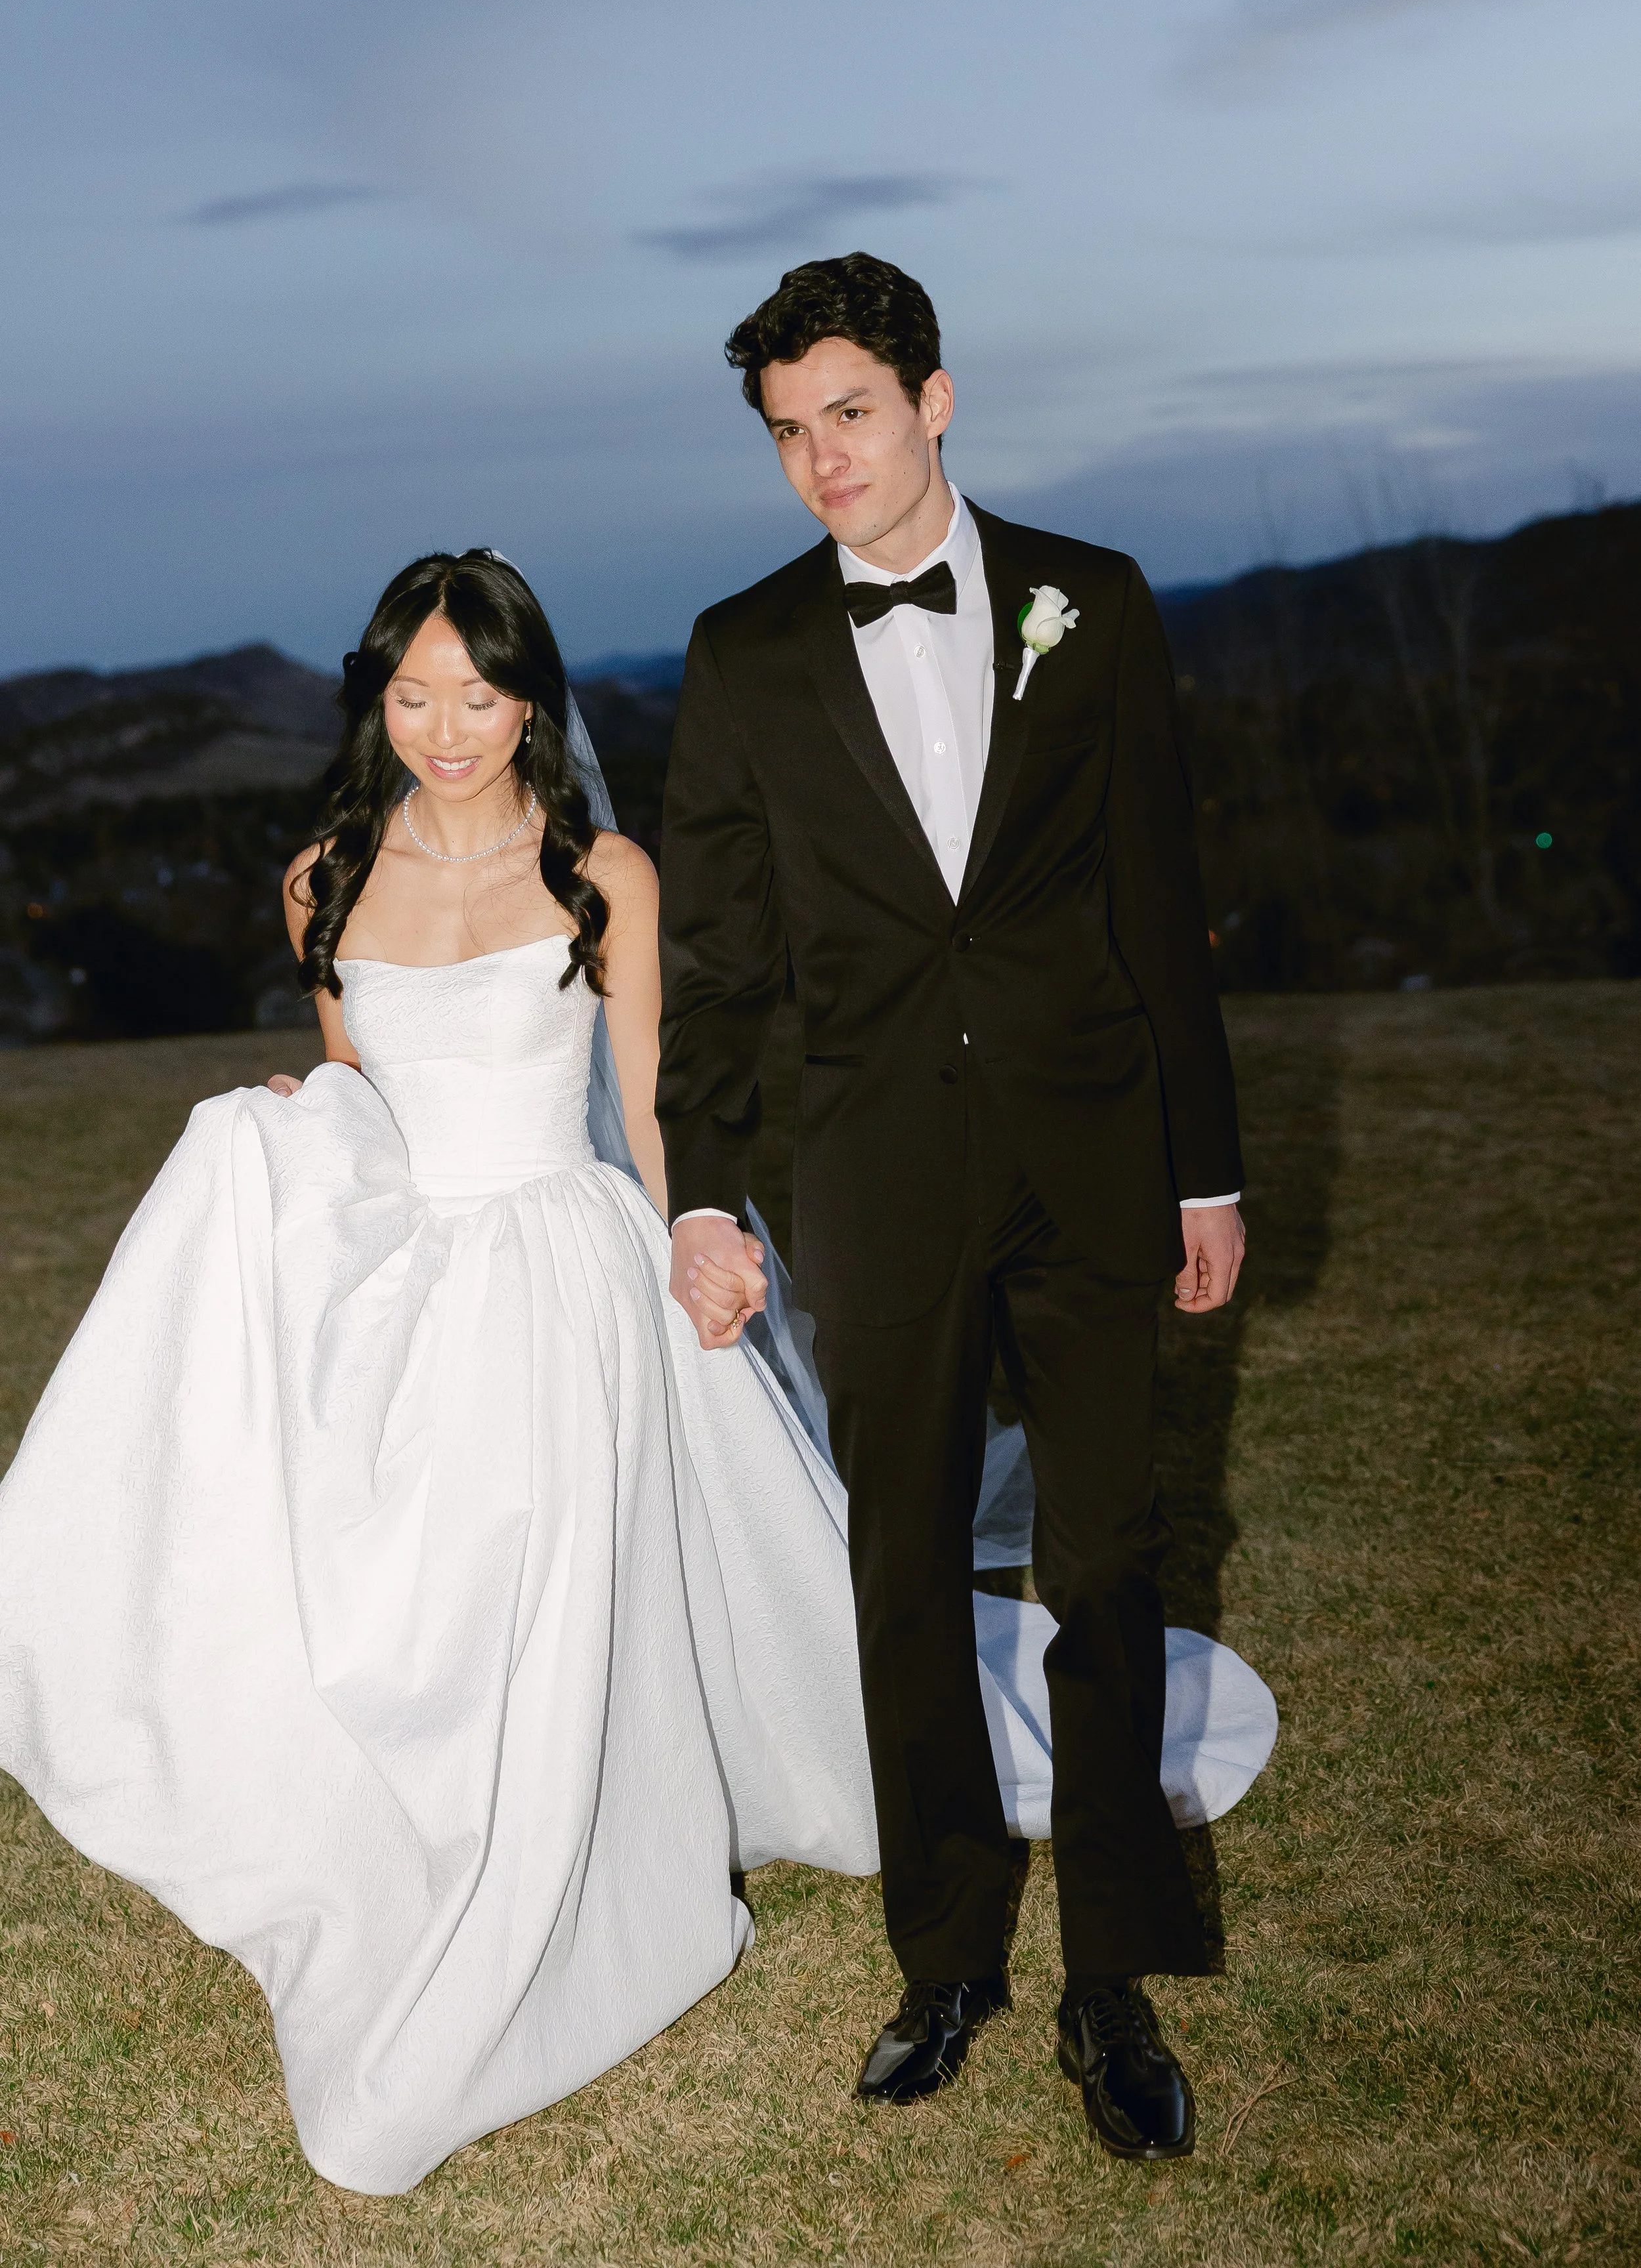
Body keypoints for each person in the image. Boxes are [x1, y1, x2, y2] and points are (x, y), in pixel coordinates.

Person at [0, 550, 884, 2194]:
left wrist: (695, 1226)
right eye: (411, 696)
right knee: (401, 1580)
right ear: (377, 700)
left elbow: (652, 1092)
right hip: (417, 1265)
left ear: (527, 696)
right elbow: (363, 1099)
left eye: (475, 695)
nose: (444, 727)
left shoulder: (603, 870)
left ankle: (571, 1827)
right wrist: (291, 1124)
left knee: (545, 1556)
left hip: (564, 1257)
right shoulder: (322, 872)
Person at [658, 253, 1247, 2160]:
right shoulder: (741, 651)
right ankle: (945, 1955)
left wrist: (1203, 1164)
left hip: (1089, 1154)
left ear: (933, 397)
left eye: (845, 411)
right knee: (900, 1568)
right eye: (785, 432)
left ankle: (1110, 1978)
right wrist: (703, 1190)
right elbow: (726, 960)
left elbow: (1160, 899)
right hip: (881, 1174)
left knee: (1104, 1561)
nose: (819, 458)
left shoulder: (1101, 603)